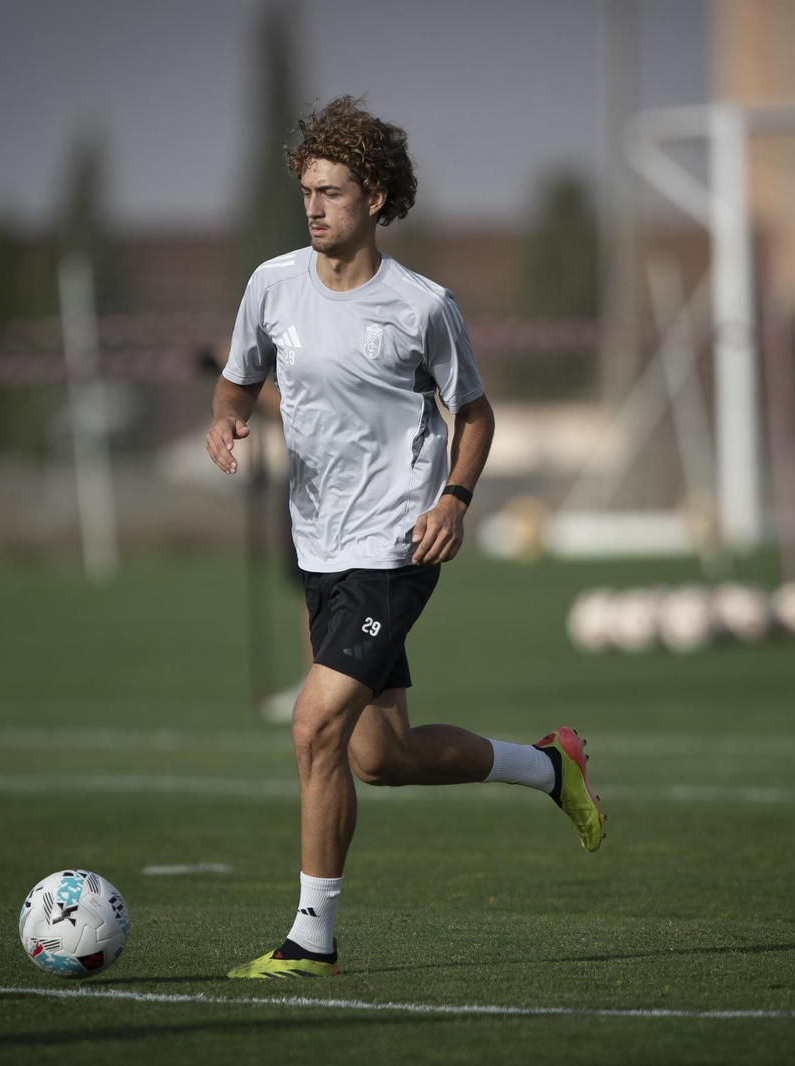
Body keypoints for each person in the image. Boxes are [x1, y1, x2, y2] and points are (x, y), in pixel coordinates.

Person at [204, 97, 606, 977]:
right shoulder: (272, 285)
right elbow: (237, 382)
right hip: (318, 549)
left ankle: (312, 940)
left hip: (396, 551)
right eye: (307, 190)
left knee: (312, 728)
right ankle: (549, 770)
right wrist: (225, 420)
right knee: (378, 756)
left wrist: (455, 500)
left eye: (333, 192)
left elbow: (475, 413)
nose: (314, 207)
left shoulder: (423, 307)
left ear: (377, 197)